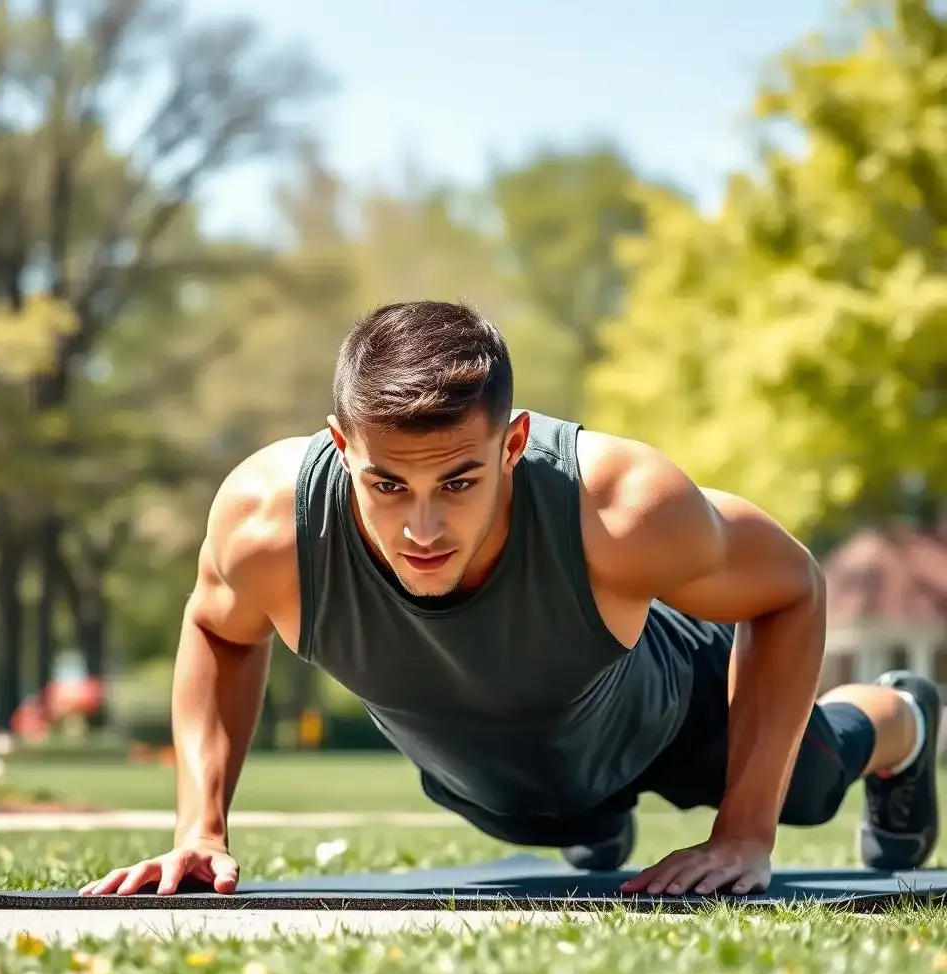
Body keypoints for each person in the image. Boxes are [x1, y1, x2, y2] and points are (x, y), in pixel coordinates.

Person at [80, 300, 941, 900]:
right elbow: (216, 628)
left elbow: (792, 587)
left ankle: (904, 720)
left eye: (458, 480)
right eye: (386, 483)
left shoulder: (621, 506)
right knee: (527, 816)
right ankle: (593, 820)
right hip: (498, 778)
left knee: (811, 784)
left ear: (514, 441)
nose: (423, 525)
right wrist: (201, 826)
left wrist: (745, 834)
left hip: (668, 711)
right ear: (342, 447)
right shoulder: (269, 524)